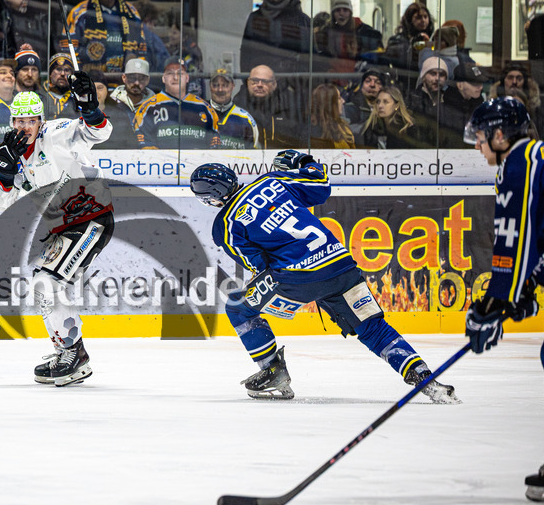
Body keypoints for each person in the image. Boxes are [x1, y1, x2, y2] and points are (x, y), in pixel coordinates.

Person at [189, 154, 458, 404]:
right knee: (372, 327)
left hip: (297, 278)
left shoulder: (225, 225)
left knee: (238, 307)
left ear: (211, 198)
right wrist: (303, 160)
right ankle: (425, 378)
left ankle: (273, 371)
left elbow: (259, 264)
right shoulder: (271, 180)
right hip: (340, 266)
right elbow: (321, 185)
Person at [0, 77, 113, 386]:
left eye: (31, 120)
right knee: (43, 286)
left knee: (47, 283)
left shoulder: (57, 133)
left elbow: (98, 132)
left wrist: (89, 108)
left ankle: (73, 354)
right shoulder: (12, 152)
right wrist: (5, 174)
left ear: (41, 121)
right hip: (65, 228)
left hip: (92, 218)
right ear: (12, 122)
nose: (25, 126)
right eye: (19, 121)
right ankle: (67, 352)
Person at [465, 97, 544, 501]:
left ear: (500, 135)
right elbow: (541, 238)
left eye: (481, 137)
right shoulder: (535, 157)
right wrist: (524, 292)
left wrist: (495, 303)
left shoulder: (520, 165)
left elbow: (513, 242)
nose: (477, 145)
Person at [66, 0, 147, 78]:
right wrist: (79, 75)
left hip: (124, 80)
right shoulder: (79, 12)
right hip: (90, 79)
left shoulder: (131, 12)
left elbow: (141, 48)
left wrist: (136, 73)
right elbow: (67, 48)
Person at [239, 0, 311, 78]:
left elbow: (308, 56)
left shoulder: (301, 19)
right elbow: (246, 53)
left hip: (291, 83)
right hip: (262, 82)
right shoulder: (255, 18)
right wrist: (248, 81)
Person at [133, 59, 220, 149]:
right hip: (163, 158)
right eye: (170, 73)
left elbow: (214, 141)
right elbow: (142, 140)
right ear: (163, 78)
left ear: (187, 78)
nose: (175, 77)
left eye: (180, 73)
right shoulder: (148, 107)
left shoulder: (204, 107)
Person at [233, 64, 304, 149]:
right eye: (255, 81)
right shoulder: (238, 105)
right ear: (248, 83)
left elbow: (299, 138)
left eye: (265, 81)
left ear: (274, 84)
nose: (259, 85)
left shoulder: (287, 104)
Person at [383, 2, 434, 95]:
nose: (423, 20)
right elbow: (400, 61)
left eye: (425, 17)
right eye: (418, 18)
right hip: (405, 87)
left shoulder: (432, 39)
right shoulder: (397, 40)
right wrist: (414, 45)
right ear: (410, 20)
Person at [107, 57, 154, 147]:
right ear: (124, 78)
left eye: (141, 79)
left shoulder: (156, 104)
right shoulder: (111, 101)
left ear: (147, 80)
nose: (136, 83)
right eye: (132, 78)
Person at [208, 67, 258, 149]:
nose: (220, 90)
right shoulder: (200, 112)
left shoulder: (245, 118)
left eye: (225, 85)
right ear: (210, 87)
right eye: (215, 85)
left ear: (233, 86)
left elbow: (254, 152)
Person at [308, 83, 354, 149]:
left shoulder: (344, 127)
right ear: (329, 105)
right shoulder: (313, 133)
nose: (343, 101)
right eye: (339, 98)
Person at [342, 68, 386, 134]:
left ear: (383, 87)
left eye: (378, 82)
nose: (372, 85)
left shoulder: (388, 110)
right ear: (361, 85)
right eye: (368, 81)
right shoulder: (349, 109)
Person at [41, 53, 76, 120]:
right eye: (58, 69)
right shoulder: (40, 96)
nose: (62, 74)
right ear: (50, 73)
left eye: (67, 70)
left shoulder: (77, 98)